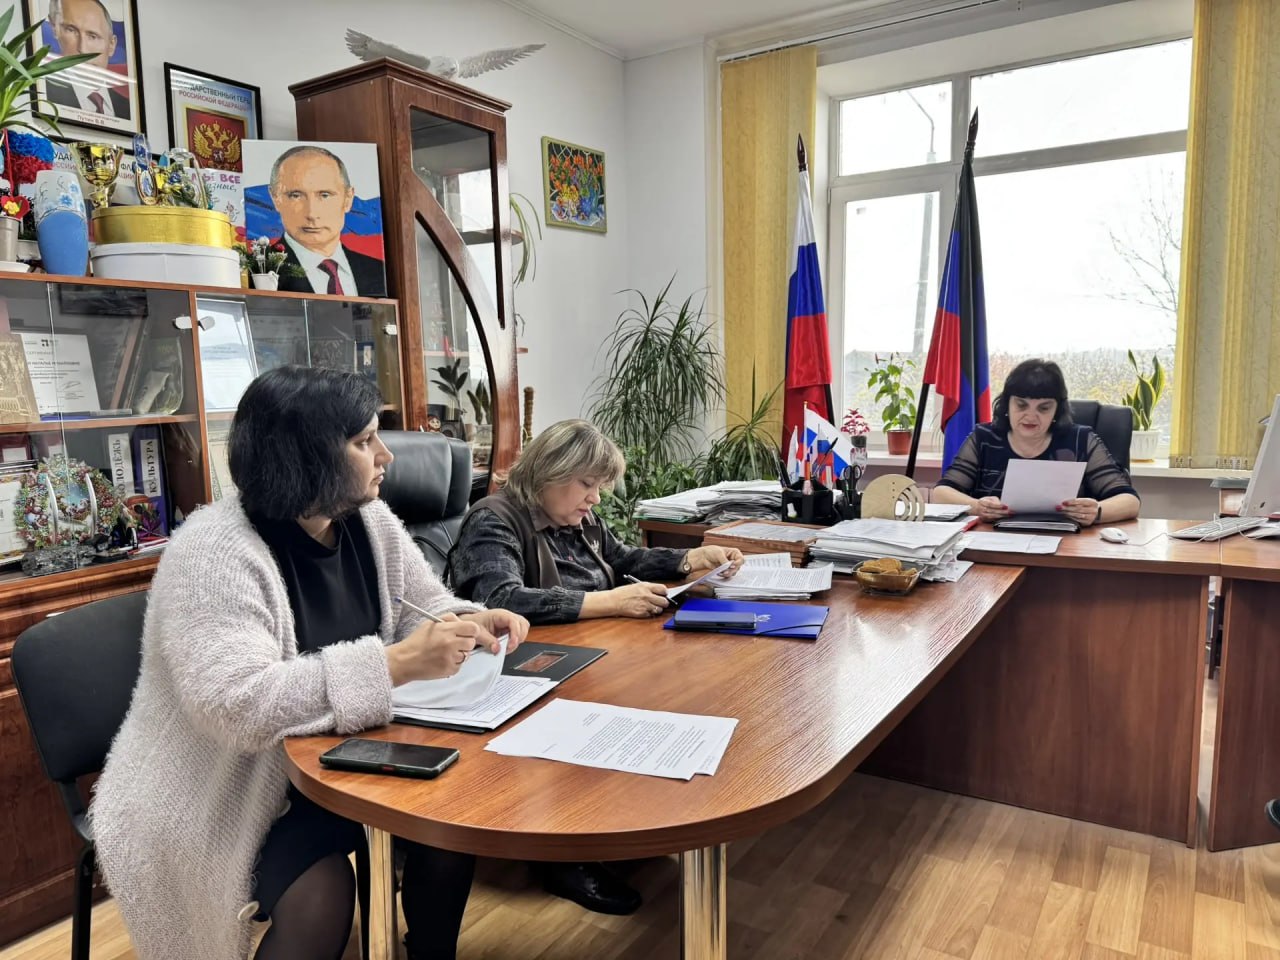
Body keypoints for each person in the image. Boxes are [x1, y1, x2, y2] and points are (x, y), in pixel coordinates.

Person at [91, 366, 528, 960]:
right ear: (306, 455)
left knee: (446, 822)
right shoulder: (213, 552)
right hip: (220, 785)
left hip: (337, 760)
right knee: (321, 895)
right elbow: (237, 705)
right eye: (364, 441)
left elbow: (422, 607)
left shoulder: (368, 519)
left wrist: (468, 620)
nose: (386, 456)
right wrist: (394, 665)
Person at [447, 418, 743, 915]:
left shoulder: (576, 518)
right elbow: (500, 600)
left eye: (600, 485)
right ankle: (563, 854)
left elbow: (623, 557)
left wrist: (689, 559)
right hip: (526, 670)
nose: (596, 498)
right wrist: (608, 602)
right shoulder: (494, 519)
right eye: (587, 483)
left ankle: (620, 820)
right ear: (549, 472)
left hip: (593, 653)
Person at [932, 358, 1140, 526]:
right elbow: (941, 494)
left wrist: (1097, 512)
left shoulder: (1081, 440)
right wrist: (977, 506)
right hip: (994, 542)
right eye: (1021, 405)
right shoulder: (984, 438)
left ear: (1057, 410)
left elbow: (1130, 501)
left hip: (1068, 545)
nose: (1031, 416)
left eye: (1043, 408)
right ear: (1006, 404)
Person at [268, 145, 387, 297]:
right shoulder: (257, 272)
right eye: (296, 195)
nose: (312, 213)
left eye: (325, 195)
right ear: (275, 198)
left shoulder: (378, 271)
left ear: (348, 199)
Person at [43, 0, 130, 120]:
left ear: (111, 45)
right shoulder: (44, 95)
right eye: (71, 30)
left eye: (93, 36)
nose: (82, 49)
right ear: (54, 29)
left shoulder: (126, 108)